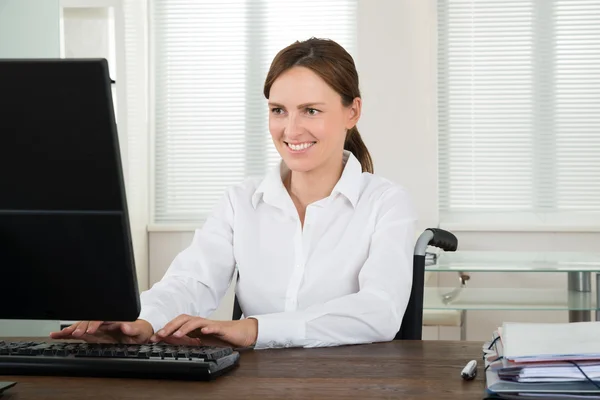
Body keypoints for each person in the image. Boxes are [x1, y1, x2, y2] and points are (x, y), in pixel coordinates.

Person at [51, 37, 417, 349]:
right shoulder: (241, 200)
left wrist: (257, 329)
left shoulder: (386, 203)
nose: (291, 129)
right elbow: (192, 280)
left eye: (310, 110)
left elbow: (379, 310)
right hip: (256, 384)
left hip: (355, 383)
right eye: (278, 110)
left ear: (352, 111)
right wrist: (142, 321)